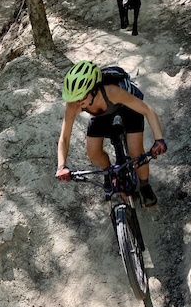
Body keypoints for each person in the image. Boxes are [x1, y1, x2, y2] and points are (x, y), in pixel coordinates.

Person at [55, 60, 167, 206]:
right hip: (100, 114)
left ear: (94, 90)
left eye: (80, 97)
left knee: (136, 152)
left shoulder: (112, 91)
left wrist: (159, 140)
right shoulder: (73, 105)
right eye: (73, 98)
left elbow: (147, 110)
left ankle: (145, 185)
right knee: (92, 152)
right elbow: (64, 137)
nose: (76, 102)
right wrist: (61, 166)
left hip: (127, 107)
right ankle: (109, 173)